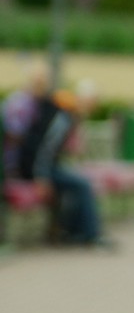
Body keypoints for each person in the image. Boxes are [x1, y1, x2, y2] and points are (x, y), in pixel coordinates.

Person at [16, 75, 113, 249]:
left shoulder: (70, 117)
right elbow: (44, 149)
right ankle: (90, 234)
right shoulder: (62, 117)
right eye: (91, 102)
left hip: (44, 167)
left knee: (78, 184)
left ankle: (74, 231)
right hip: (36, 169)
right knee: (82, 184)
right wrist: (40, 177)